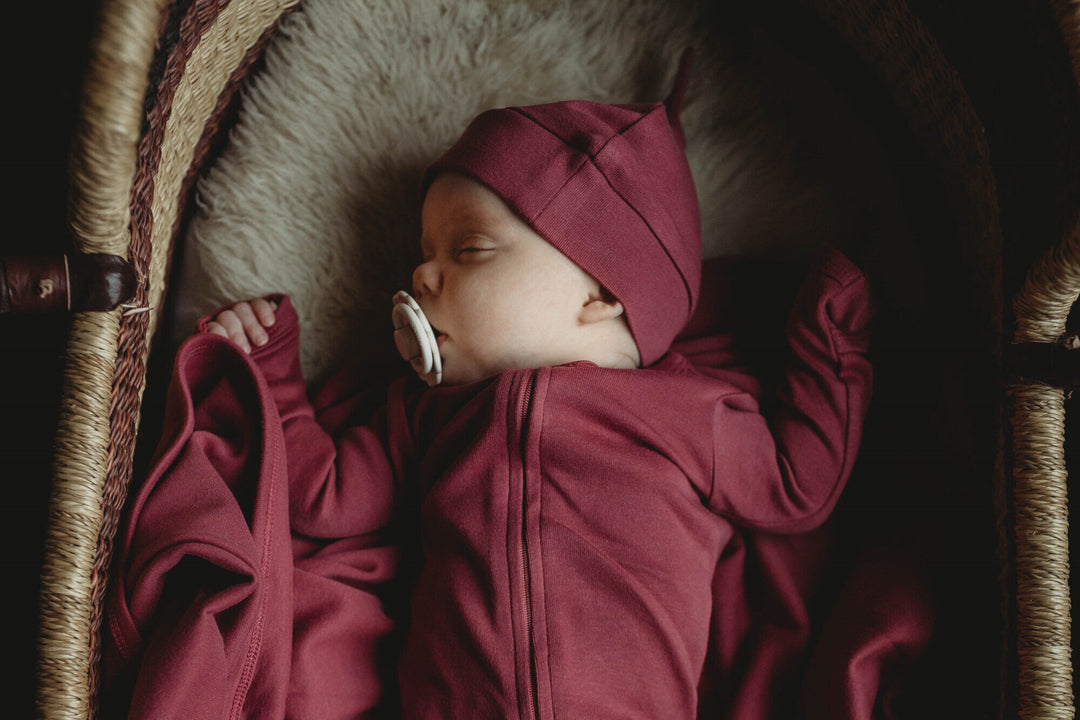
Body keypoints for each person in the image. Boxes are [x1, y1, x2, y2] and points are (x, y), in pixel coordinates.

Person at [192, 50, 874, 719]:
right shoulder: (424, 415)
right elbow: (322, 499)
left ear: (601, 290)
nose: (422, 279)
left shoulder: (687, 412)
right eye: (425, 257)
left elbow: (795, 485)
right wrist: (272, 370)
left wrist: (830, 341)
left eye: (470, 249)